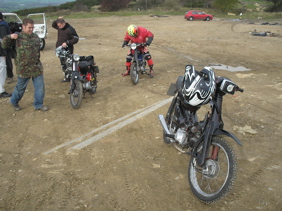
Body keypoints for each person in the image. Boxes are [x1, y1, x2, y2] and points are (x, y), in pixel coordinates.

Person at [2, 18, 48, 111]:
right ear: (23, 26)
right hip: (23, 68)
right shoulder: (17, 37)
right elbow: (4, 45)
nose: (31, 29)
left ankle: (38, 104)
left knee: (40, 88)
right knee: (20, 88)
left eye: (32, 27)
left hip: (36, 67)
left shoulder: (35, 37)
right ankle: (14, 102)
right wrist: (10, 37)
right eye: (29, 27)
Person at [52, 17, 79, 82]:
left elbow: (76, 38)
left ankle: (73, 78)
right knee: (63, 64)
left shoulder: (70, 29)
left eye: (60, 25)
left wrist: (67, 42)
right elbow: (53, 25)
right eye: (58, 25)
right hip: (60, 49)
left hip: (68, 49)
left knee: (69, 64)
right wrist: (57, 19)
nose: (59, 27)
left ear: (63, 23)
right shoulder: (59, 27)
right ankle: (66, 77)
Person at [0, 12, 12, 98]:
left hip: (1, 51)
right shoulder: (3, 25)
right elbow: (3, 40)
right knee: (2, 71)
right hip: (1, 52)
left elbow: (2, 40)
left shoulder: (2, 25)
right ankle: (1, 91)